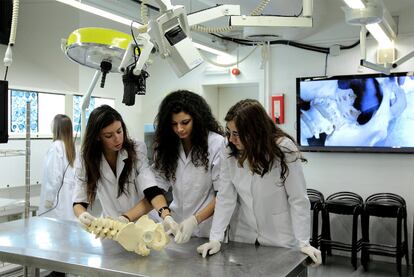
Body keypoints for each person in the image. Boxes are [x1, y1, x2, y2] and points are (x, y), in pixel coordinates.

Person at [197, 99, 321, 266]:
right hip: (243, 233)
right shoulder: (229, 149)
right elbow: (226, 196)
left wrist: (303, 242)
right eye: (229, 132)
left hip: (279, 236)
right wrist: (215, 238)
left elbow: (297, 199)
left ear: (255, 131)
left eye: (237, 133)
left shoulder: (283, 148)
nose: (231, 139)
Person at [140, 90, 225, 244]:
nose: (179, 129)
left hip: (207, 230)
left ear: (198, 119)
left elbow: (224, 194)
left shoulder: (216, 144)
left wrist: (194, 220)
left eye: (185, 122)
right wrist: (166, 215)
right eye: (174, 124)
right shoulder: (168, 147)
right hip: (176, 226)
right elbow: (157, 188)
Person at [72, 105, 155, 228]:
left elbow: (151, 194)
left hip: (142, 224)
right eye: (109, 136)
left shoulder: (136, 149)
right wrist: (82, 215)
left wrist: (125, 218)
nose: (117, 138)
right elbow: (79, 200)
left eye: (119, 131)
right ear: (97, 137)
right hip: (111, 226)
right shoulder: (87, 158)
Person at [39, 114, 77, 222]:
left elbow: (54, 176)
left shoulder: (56, 147)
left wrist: (49, 199)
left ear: (57, 128)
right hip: (67, 198)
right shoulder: (70, 147)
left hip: (56, 200)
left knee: (54, 230)